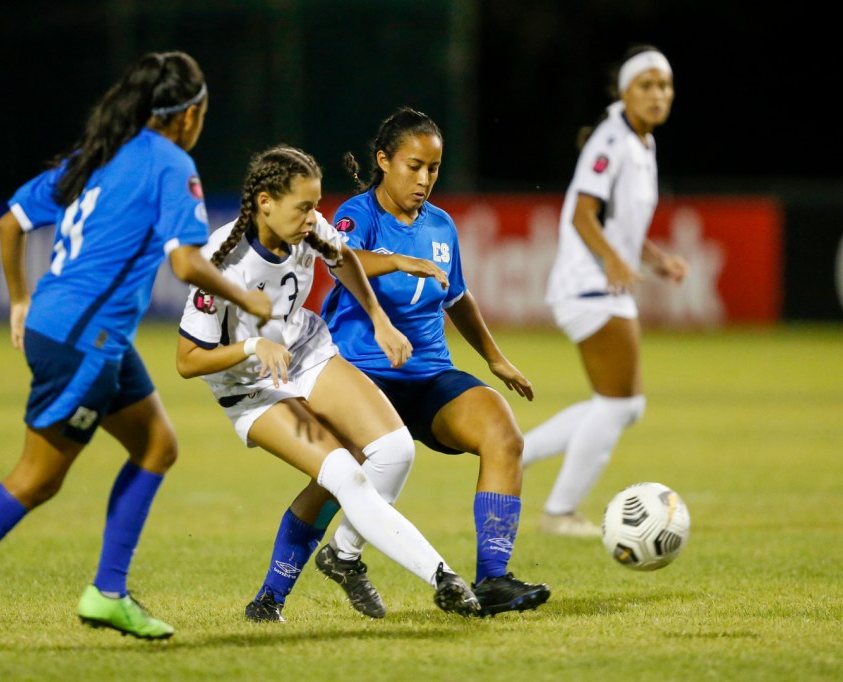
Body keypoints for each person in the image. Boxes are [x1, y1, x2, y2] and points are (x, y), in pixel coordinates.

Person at [0, 51, 273, 655]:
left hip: (74, 329)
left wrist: (19, 300)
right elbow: (185, 262)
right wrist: (247, 297)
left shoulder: (98, 153)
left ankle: (108, 593)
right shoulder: (172, 164)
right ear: (189, 114)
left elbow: (10, 223)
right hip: (84, 342)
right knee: (37, 479)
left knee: (157, 445)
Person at [242, 107, 551, 621]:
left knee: (503, 433)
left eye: (434, 168)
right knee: (337, 477)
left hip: (427, 377)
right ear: (384, 161)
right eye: (414, 166)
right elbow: (341, 260)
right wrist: (398, 260)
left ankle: (493, 578)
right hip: (361, 375)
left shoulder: (441, 226)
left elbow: (458, 297)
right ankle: (270, 597)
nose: (425, 179)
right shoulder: (358, 216)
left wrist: (495, 359)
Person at [176, 145, 482, 623]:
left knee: (395, 450)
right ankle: (441, 576)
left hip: (305, 351)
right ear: (265, 203)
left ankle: (335, 559)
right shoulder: (222, 262)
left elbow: (344, 260)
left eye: (315, 206)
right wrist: (253, 347)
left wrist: (380, 320)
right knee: (344, 473)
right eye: (303, 207)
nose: (313, 219)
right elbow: (188, 360)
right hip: (249, 386)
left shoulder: (309, 226)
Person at [520, 45, 688, 537]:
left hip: (601, 285)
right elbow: (581, 214)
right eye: (646, 85)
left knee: (625, 405)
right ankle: (559, 512)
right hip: (588, 285)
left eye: (665, 86)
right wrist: (613, 259)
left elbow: (619, 223)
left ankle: (518, 450)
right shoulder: (612, 141)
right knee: (616, 405)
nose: (658, 95)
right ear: (624, 92)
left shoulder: (640, 142)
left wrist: (655, 259)